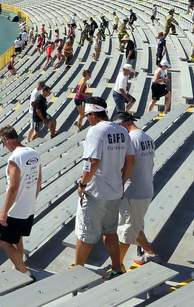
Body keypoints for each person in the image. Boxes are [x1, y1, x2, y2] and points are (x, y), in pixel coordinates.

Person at [74, 97, 133, 279]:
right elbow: (130, 162)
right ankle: (116, 268)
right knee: (110, 231)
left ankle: (77, 273)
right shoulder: (122, 131)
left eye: (87, 115)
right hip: (114, 190)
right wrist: (122, 183)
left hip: (95, 191)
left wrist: (83, 184)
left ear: (92, 114)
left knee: (85, 234)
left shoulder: (95, 131)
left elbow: (93, 161)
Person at [113, 111, 159, 266]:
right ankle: (150, 254)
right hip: (145, 188)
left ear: (121, 125)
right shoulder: (146, 137)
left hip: (133, 192)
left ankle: (116, 266)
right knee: (135, 226)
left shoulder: (130, 140)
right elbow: (151, 164)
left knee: (125, 230)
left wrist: (119, 186)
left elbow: (126, 166)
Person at [0, 126, 41, 276]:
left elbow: (13, 186)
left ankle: (24, 272)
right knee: (18, 238)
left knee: (4, 242)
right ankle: (18, 266)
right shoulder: (33, 153)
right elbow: (38, 181)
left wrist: (4, 212)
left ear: (6, 139)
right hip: (29, 206)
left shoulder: (15, 157)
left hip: (16, 209)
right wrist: (31, 198)